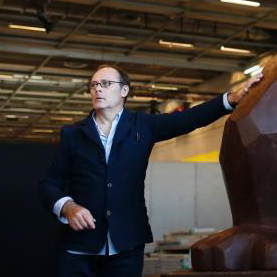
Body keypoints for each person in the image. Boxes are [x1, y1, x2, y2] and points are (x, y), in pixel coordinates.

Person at [39, 64, 258, 277]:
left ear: (124, 90)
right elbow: (48, 184)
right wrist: (68, 207)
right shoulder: (73, 134)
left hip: (127, 246)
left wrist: (230, 99)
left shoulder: (143, 125)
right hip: (78, 250)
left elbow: (189, 119)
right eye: (93, 84)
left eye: (105, 83)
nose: (97, 89)